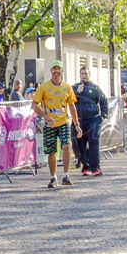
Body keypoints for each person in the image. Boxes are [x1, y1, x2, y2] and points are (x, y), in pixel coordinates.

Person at [32, 60, 81, 188]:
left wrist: (77, 124)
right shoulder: (43, 87)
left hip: (63, 122)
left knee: (66, 146)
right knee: (51, 151)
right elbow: (34, 106)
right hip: (49, 124)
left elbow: (72, 106)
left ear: (62, 71)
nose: (56, 71)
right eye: (54, 69)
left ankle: (66, 175)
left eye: (58, 69)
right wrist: (45, 117)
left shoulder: (67, 87)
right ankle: (53, 177)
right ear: (51, 71)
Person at [72, 67, 109, 176]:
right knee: (80, 144)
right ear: (79, 75)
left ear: (89, 75)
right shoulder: (74, 87)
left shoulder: (95, 88)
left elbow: (104, 101)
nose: (84, 75)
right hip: (79, 120)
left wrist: (103, 116)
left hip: (93, 118)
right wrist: (76, 92)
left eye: (86, 74)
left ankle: (96, 168)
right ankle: (85, 166)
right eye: (82, 73)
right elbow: (67, 100)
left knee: (93, 142)